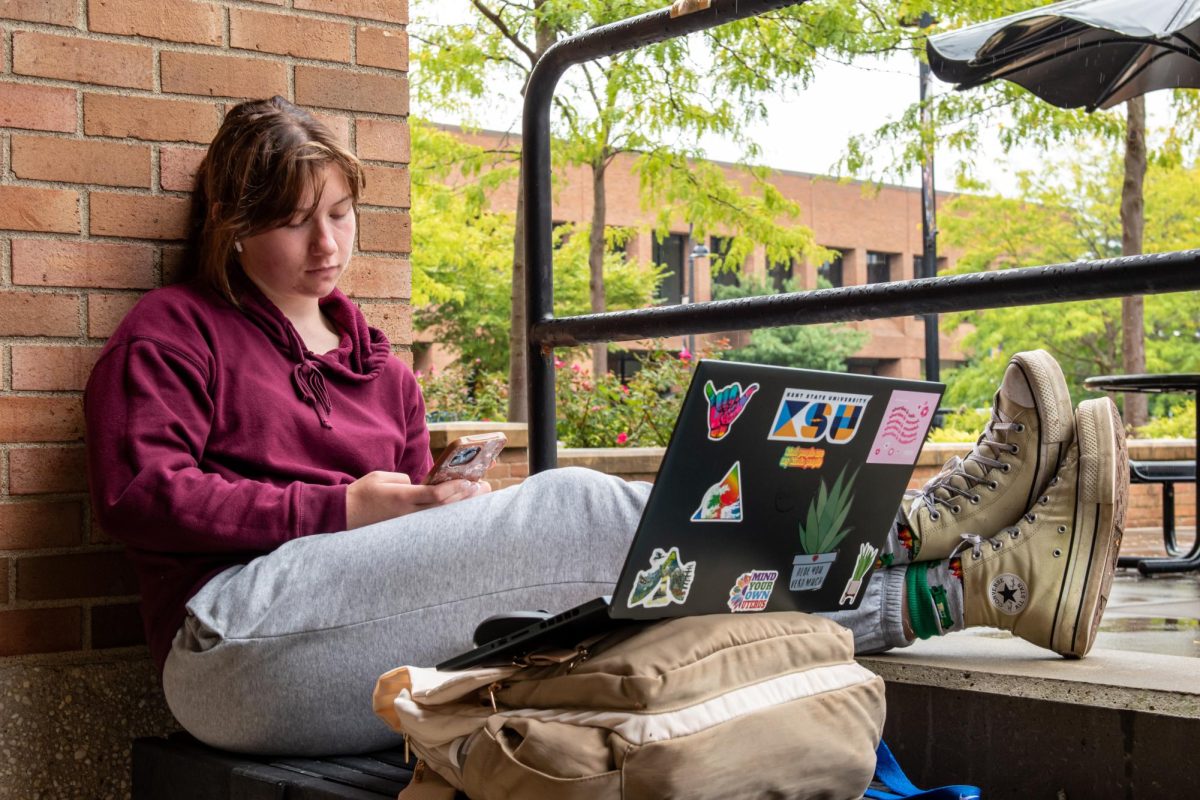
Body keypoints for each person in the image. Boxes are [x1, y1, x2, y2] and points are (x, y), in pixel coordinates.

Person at [83, 97, 1127, 757]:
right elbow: (142, 495)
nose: (327, 242)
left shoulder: (379, 364)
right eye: (294, 217)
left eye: (341, 213)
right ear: (233, 224)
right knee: (578, 503)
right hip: (226, 651)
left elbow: (408, 534)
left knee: (640, 606)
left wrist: (440, 508)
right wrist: (347, 502)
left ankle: (977, 587)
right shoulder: (175, 333)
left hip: (366, 646)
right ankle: (909, 523)